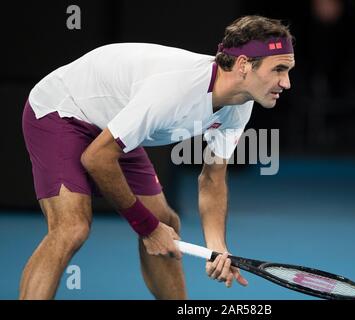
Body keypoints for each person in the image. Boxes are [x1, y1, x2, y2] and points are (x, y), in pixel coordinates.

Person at [20, 15, 295, 299]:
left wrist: (218, 250)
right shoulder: (176, 89)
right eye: (279, 69)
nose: (286, 83)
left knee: (167, 223)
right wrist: (147, 228)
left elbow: (212, 180)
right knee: (72, 228)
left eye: (288, 70)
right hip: (61, 110)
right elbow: (97, 159)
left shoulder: (240, 102)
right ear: (243, 66)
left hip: (111, 122)